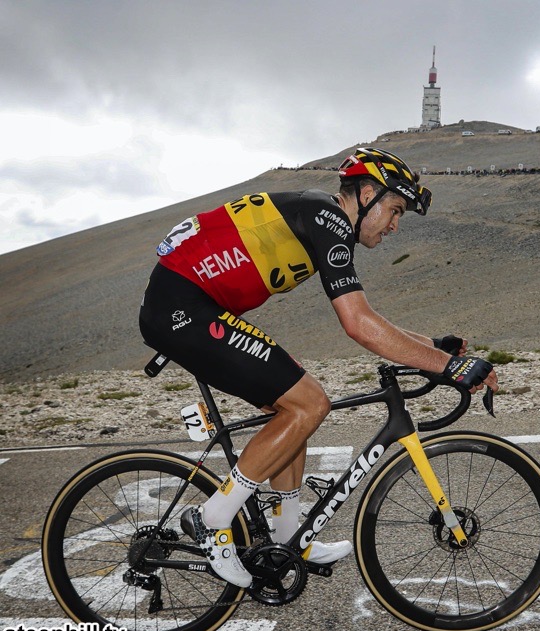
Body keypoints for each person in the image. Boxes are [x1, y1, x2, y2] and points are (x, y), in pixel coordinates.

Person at [139, 148, 498, 586]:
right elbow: (359, 324)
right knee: (309, 403)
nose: (395, 226)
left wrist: (434, 348)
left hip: (190, 307)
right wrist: (447, 366)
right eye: (395, 210)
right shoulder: (328, 217)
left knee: (294, 405)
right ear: (367, 194)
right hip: (182, 309)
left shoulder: (321, 217)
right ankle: (212, 519)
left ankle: (290, 535)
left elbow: (369, 321)